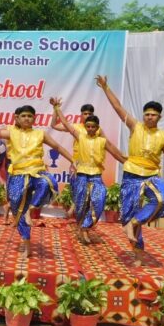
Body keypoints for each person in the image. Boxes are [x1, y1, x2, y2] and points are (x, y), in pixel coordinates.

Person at [95, 75, 164, 266]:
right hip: (131, 175)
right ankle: (138, 254)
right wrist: (105, 87)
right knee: (128, 216)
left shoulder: (163, 136)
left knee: (163, 198)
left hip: (151, 175)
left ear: (159, 117)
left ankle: (135, 222)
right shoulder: (135, 126)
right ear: (143, 115)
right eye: (147, 114)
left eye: (153, 114)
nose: (149, 117)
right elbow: (118, 108)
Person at [0, 105, 74, 258]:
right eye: (23, 116)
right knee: (17, 209)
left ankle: (31, 210)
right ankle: (27, 244)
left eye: (30, 116)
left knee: (48, 183)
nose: (27, 118)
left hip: (36, 172)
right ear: (17, 118)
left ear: (34, 118)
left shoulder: (41, 134)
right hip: (18, 174)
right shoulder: (11, 132)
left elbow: (57, 147)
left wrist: (73, 161)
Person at [52, 98, 127, 244]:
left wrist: (129, 162)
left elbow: (116, 153)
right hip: (79, 172)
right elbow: (65, 124)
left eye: (94, 126)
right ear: (85, 125)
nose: (91, 129)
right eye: (89, 126)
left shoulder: (102, 140)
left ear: (97, 127)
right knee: (80, 204)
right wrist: (56, 108)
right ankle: (81, 227)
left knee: (99, 200)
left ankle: (85, 227)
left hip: (96, 176)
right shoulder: (79, 135)